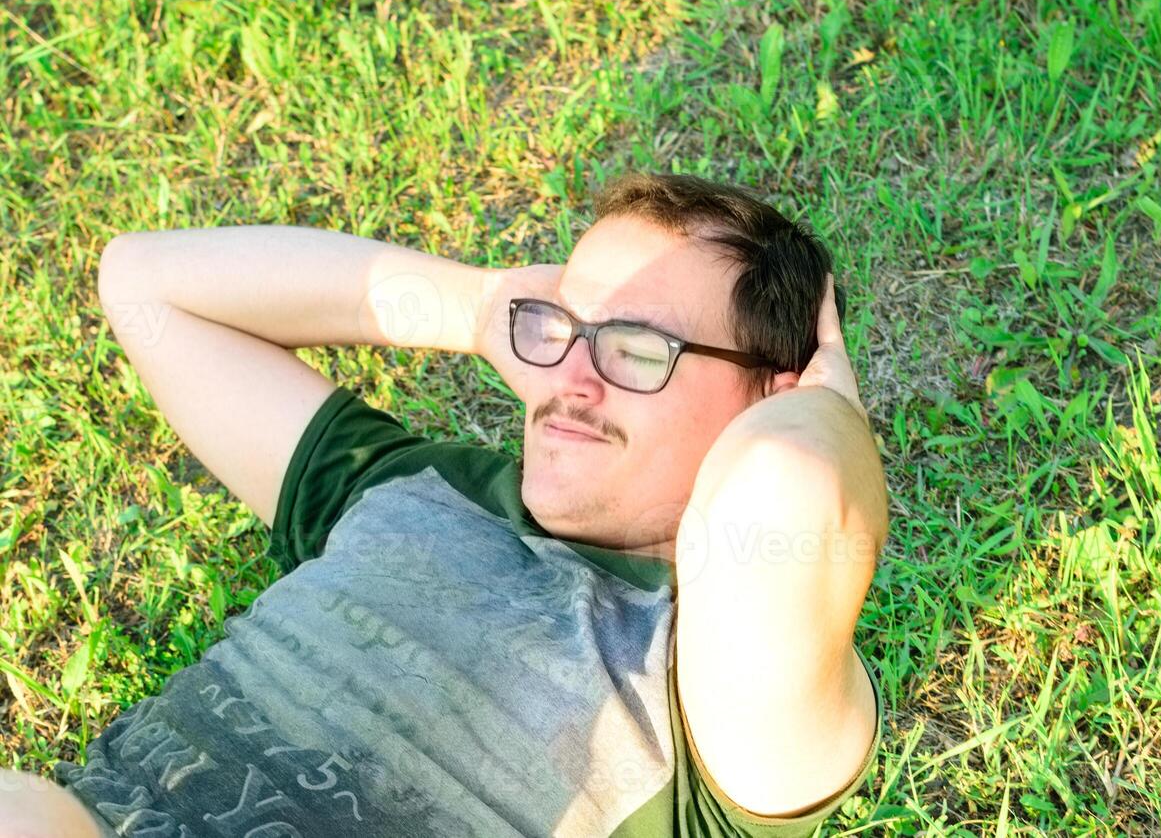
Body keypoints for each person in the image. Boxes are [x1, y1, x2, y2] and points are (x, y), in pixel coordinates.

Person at [2, 172, 889, 837]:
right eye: (563, 327)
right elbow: (147, 283)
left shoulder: (720, 685)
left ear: (772, 396)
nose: (570, 378)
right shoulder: (417, 485)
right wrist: (480, 307)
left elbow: (791, 484)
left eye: (634, 345)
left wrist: (826, 398)